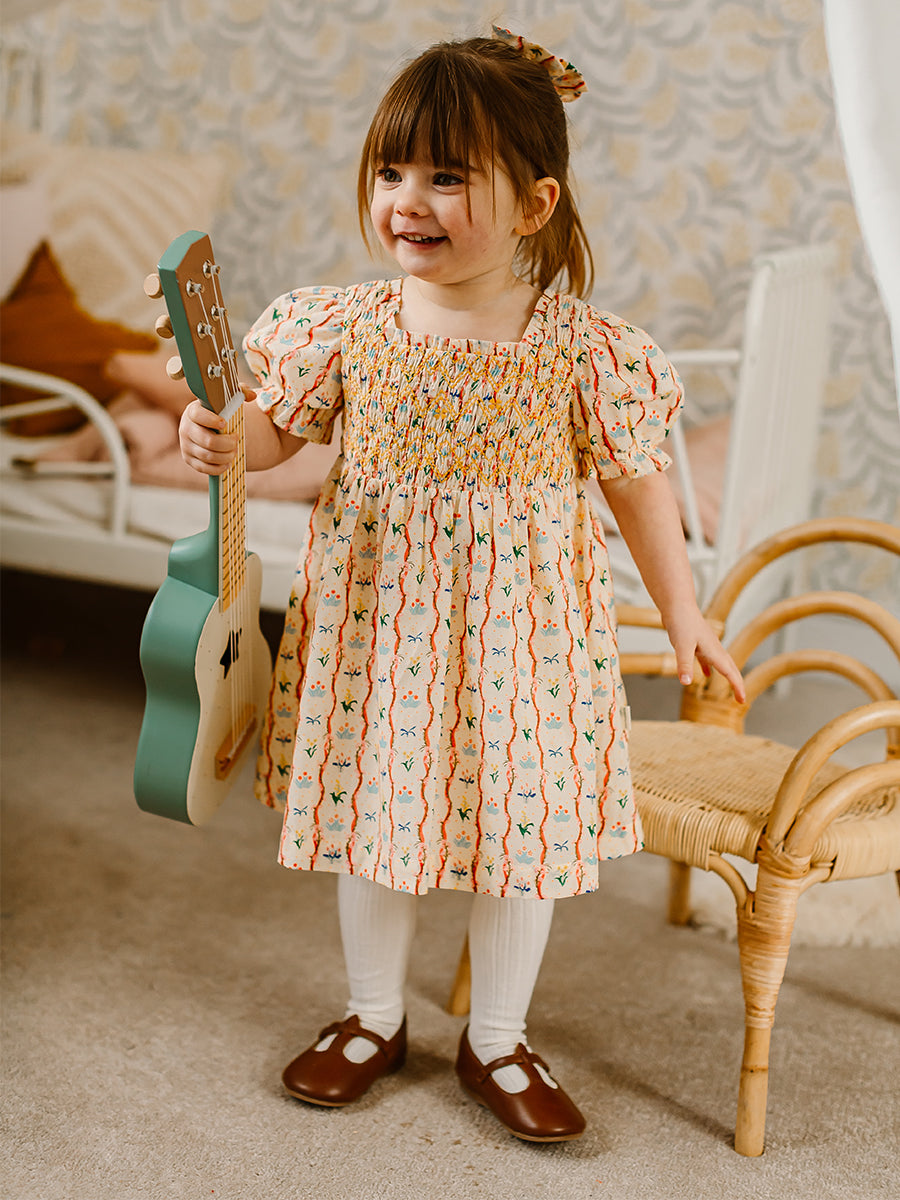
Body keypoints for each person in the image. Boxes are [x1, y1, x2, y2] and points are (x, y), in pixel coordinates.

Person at [178, 27, 745, 1143]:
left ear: (534, 205)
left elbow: (637, 487)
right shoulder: (345, 325)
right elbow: (277, 435)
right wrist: (223, 437)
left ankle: (499, 1037)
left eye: (447, 176)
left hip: (526, 630)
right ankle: (372, 1018)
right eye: (391, 171)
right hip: (381, 619)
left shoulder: (582, 350)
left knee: (517, 823)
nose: (408, 201)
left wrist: (686, 614)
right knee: (375, 810)